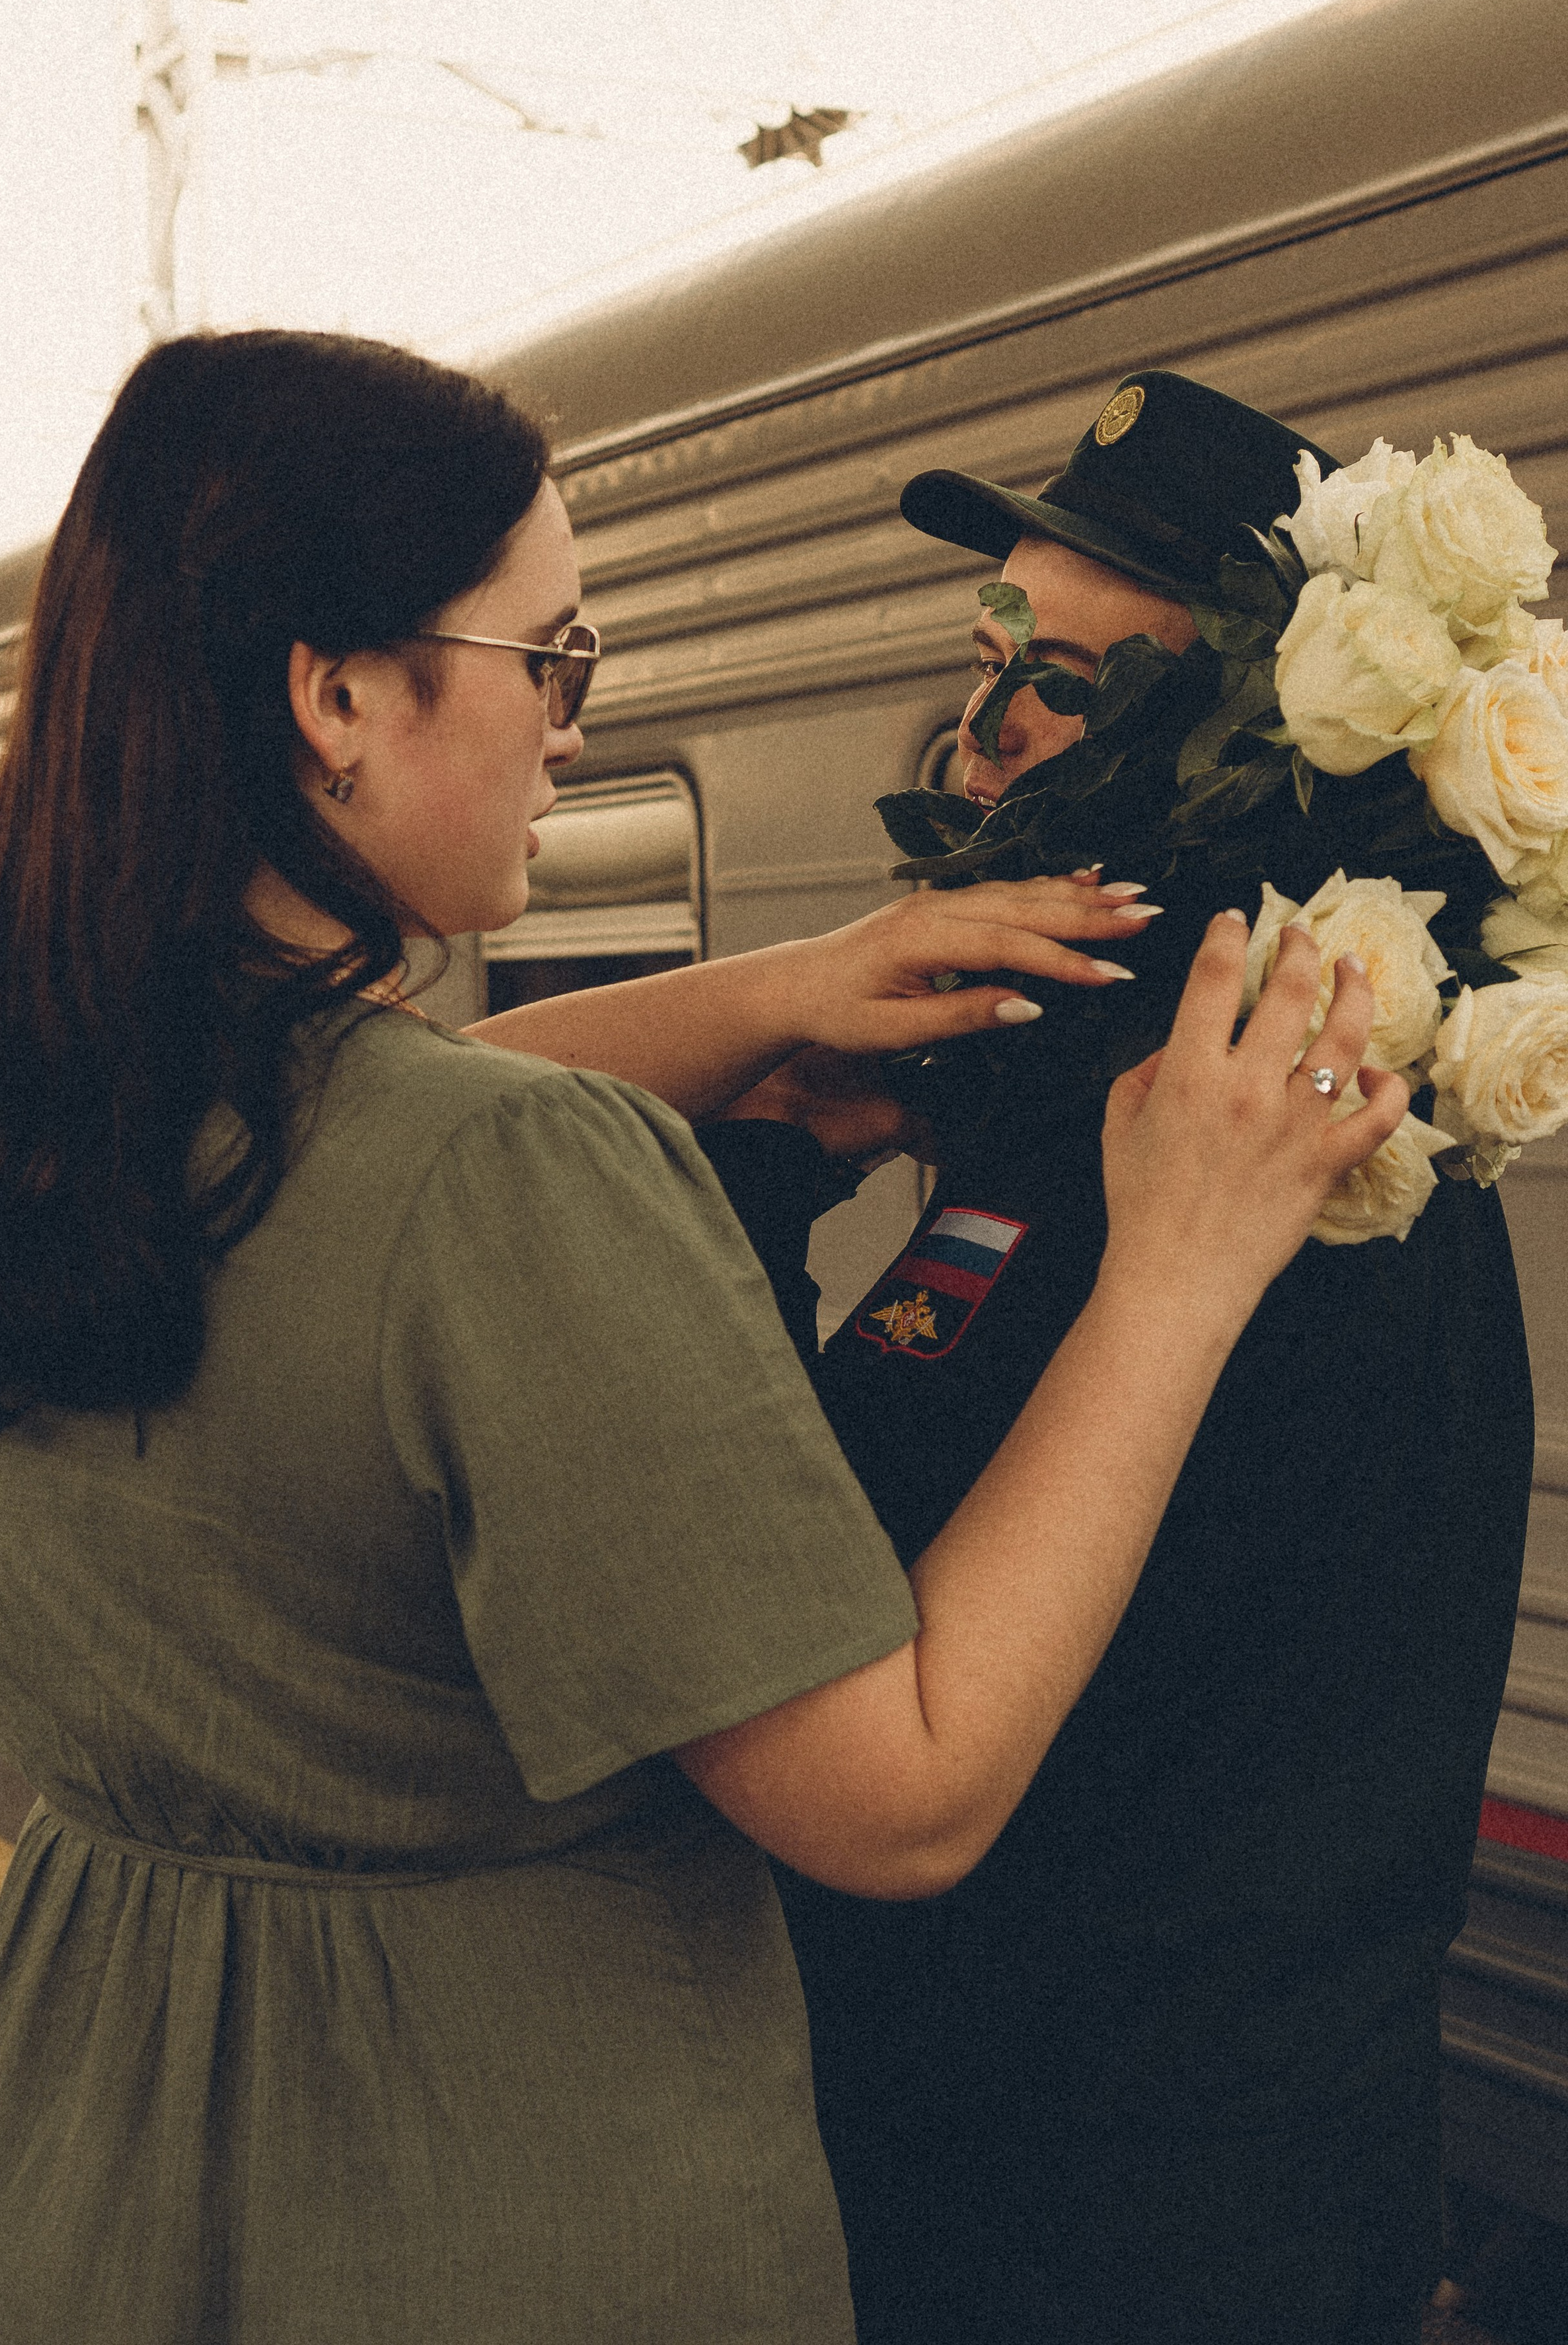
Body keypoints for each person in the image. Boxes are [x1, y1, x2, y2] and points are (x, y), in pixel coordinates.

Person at [0, 333, 1401, 2345]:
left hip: (103, 2164)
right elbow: (902, 1793)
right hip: (484, 2198)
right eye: (552, 660)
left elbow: (398, 1128)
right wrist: (1180, 1266)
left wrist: (789, 985)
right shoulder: (502, 1189)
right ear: (337, 695)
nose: (573, 733)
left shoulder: (27, 1117)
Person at [653, 372, 1532, 2345]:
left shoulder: (1232, 1185)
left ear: (1237, 753)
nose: (975, 735)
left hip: (1114, 2218)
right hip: (1134, 2183)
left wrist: (771, 1173)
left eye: (1055, 685)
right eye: (983, 662)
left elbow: (815, 1604)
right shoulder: (1204, 1134)